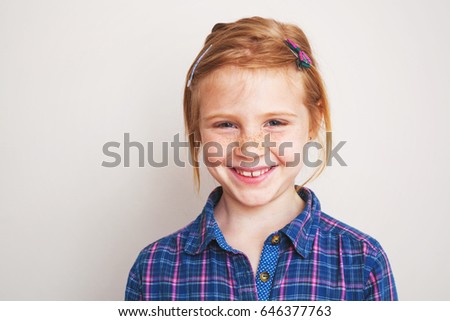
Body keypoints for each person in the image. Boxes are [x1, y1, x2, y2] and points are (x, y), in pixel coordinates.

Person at [125, 16, 398, 301]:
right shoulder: (154, 269)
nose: (251, 149)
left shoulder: (362, 262)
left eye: (275, 123)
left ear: (314, 122)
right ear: (197, 131)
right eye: (226, 125)